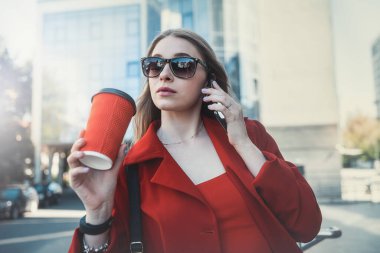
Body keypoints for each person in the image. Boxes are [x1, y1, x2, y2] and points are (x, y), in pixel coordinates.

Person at [68, 28, 322, 253]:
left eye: (182, 64)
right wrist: (98, 213)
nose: (165, 74)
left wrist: (244, 145)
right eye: (154, 65)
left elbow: (306, 224)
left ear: (208, 79)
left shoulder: (249, 136)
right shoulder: (131, 169)